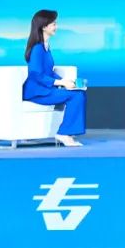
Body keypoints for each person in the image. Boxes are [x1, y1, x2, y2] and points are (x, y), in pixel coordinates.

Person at [21, 9, 86, 147]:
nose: (56, 27)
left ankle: (67, 132)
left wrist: (66, 81)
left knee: (78, 92)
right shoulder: (37, 48)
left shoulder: (46, 47)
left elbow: (48, 72)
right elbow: (36, 74)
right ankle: (64, 133)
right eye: (54, 24)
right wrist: (60, 82)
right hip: (37, 92)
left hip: (45, 89)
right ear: (44, 27)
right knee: (76, 95)